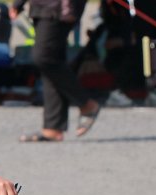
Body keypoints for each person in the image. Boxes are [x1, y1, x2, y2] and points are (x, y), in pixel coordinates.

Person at [10, 0, 102, 142]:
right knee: (52, 59)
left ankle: (86, 104)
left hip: (58, 7)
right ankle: (52, 127)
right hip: (43, 7)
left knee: (44, 57)